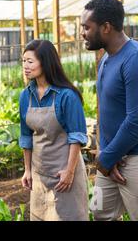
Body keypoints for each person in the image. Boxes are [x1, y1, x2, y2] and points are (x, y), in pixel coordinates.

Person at [81, 0, 138, 221]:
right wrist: (108, 155)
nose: (82, 32)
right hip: (113, 159)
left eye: (86, 27)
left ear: (106, 27)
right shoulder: (106, 59)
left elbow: (137, 119)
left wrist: (106, 158)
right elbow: (108, 113)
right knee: (100, 213)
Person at [19, 39, 89, 221]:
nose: (25, 66)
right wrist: (27, 170)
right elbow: (26, 136)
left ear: (46, 62)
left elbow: (77, 137)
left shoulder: (66, 96)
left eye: (30, 61)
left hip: (64, 174)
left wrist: (69, 172)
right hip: (39, 175)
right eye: (23, 61)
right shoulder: (26, 96)